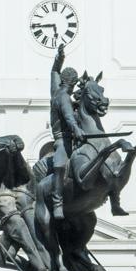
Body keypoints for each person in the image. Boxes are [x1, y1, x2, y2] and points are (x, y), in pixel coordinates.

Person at [50, 44, 85, 219]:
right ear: (71, 83)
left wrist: (59, 59)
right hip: (63, 140)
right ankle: (57, 203)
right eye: (75, 84)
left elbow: (54, 72)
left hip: (67, 138)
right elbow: (69, 117)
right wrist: (77, 130)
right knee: (60, 166)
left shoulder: (56, 90)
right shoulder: (63, 96)